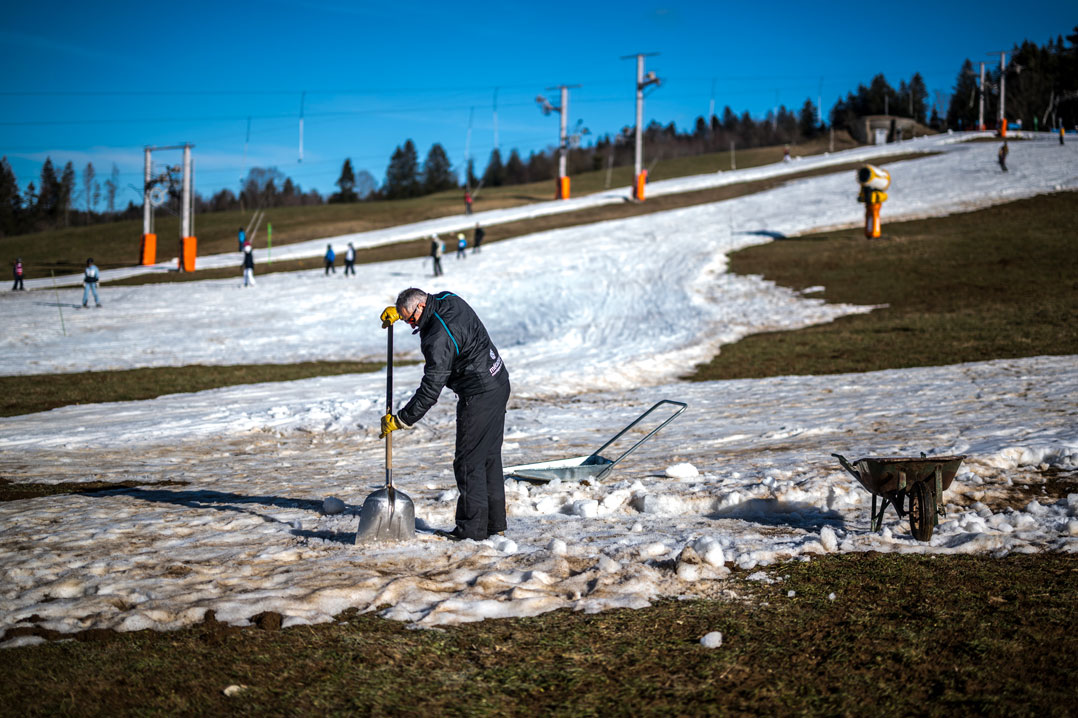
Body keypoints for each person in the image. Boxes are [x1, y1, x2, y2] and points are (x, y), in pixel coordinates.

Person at [380, 289, 510, 541]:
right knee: (488, 458)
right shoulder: (447, 299)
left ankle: (471, 531)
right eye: (406, 320)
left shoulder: (437, 338)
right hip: (498, 380)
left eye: (411, 319)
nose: (411, 325)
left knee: (468, 462)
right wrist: (401, 310)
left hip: (480, 393)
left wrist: (402, 419)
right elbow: (425, 305)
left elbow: (430, 390)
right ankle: (495, 526)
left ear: (420, 307)